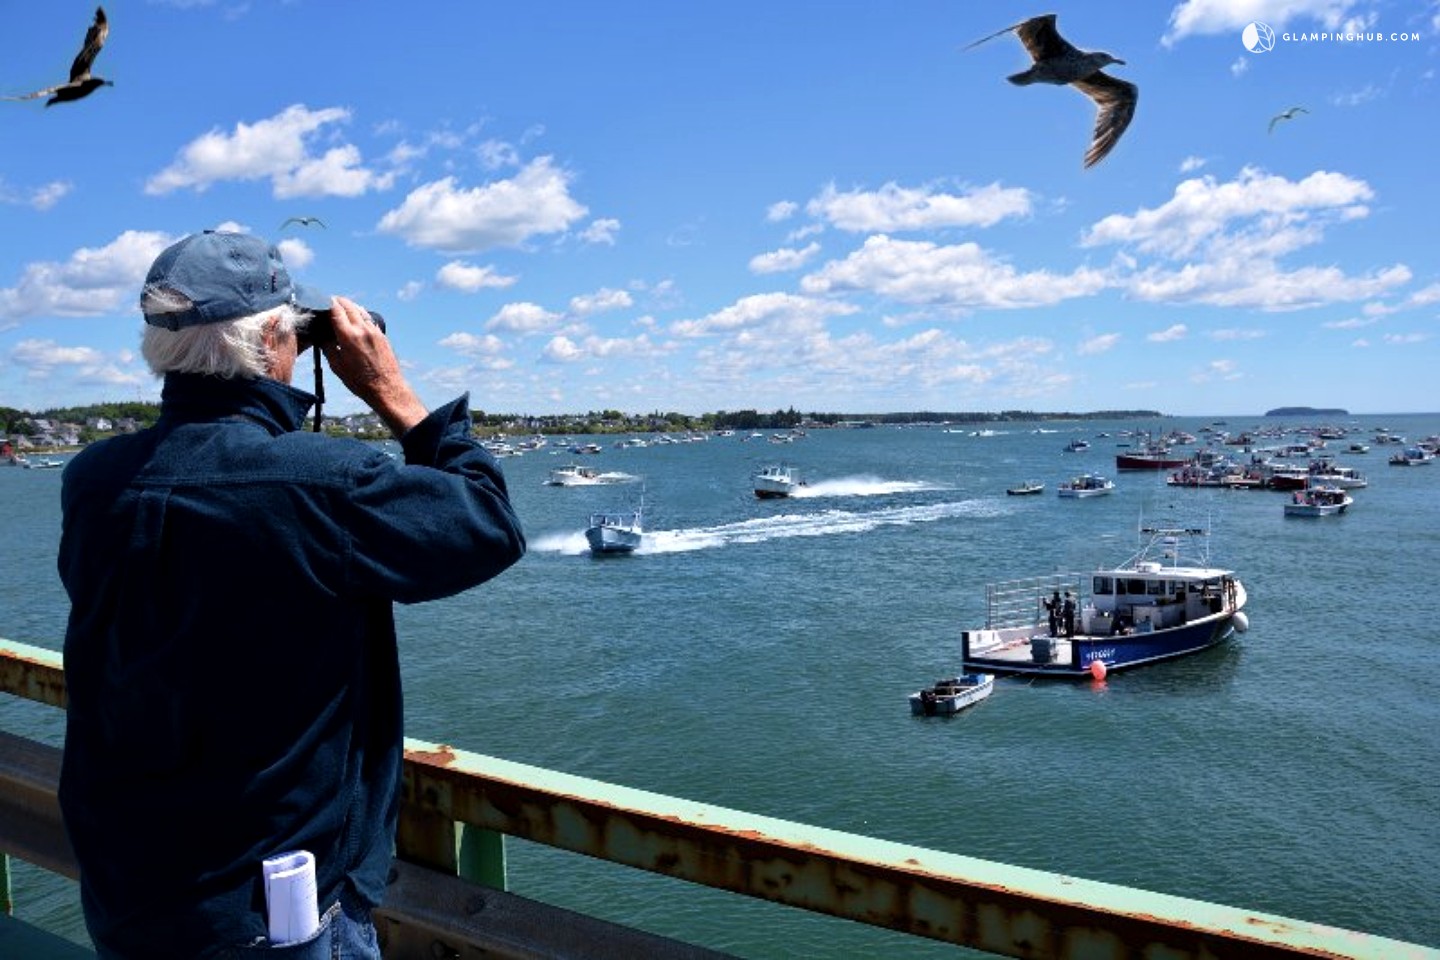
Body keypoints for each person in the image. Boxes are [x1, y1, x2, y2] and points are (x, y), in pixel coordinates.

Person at [57, 230, 526, 959]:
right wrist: (389, 390)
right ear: (276, 340)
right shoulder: (319, 483)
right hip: (274, 913)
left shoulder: (93, 479)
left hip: (128, 888)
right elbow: (488, 527)